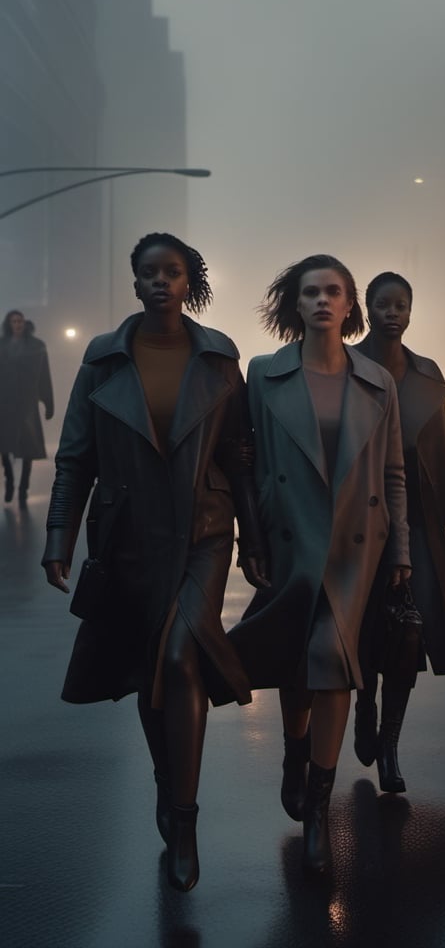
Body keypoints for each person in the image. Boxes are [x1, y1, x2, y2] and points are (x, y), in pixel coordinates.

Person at [40, 233, 265, 893]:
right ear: (134, 283)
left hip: (204, 529)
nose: (161, 282)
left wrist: (254, 539)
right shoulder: (104, 360)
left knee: (176, 657)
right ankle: (169, 787)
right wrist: (59, 534)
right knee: (150, 670)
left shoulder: (220, 358)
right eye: (149, 273)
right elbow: (76, 455)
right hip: (129, 536)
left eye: (173, 272)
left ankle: (185, 819)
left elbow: (241, 458)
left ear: (189, 281)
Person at [228, 254, 411, 877]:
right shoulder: (264, 374)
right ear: (295, 305)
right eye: (311, 292)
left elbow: (393, 474)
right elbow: (248, 467)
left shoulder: (377, 382)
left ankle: (318, 808)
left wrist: (403, 552)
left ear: (351, 304)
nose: (324, 301)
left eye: (335, 291)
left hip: (356, 545)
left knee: (333, 662)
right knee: (298, 665)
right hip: (290, 541)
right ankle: (294, 751)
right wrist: (248, 539)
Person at [352, 272, 445, 793]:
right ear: (368, 308)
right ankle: (362, 704)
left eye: (402, 304)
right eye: (383, 304)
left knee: (409, 634)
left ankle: (390, 747)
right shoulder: (347, 365)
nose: (393, 313)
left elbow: (440, 456)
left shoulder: (426, 373)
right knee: (360, 629)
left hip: (418, 519)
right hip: (358, 518)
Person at [0, 310, 54, 509]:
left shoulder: (37, 346)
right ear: (9, 324)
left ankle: (23, 486)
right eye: (14, 321)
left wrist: (48, 403)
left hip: (26, 403)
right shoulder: (2, 345)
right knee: (5, 446)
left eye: (20, 321)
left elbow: (44, 376)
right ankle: (9, 482)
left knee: (28, 445)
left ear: (24, 323)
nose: (17, 324)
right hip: (4, 403)